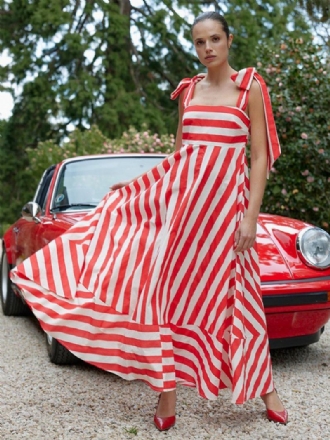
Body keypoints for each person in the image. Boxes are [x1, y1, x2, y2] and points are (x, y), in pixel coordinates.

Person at [10, 10, 287, 433]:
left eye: (215, 39)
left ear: (229, 40)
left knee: (240, 296)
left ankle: (266, 389)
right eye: (199, 42)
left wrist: (250, 216)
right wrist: (139, 185)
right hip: (186, 214)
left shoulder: (248, 87)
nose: (207, 48)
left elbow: (260, 156)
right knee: (171, 296)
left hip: (227, 213)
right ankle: (168, 391)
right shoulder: (189, 93)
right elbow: (178, 158)